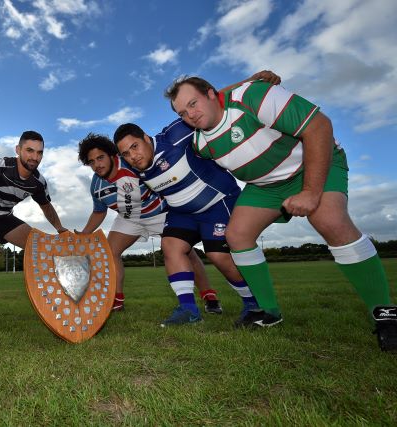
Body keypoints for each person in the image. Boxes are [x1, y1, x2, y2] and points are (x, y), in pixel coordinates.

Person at [165, 75, 397, 350]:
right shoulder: (200, 143)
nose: (190, 114)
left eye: (193, 103)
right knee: (237, 235)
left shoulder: (255, 97)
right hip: (266, 186)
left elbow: (319, 126)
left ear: (211, 94)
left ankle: (386, 314)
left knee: (330, 221)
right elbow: (202, 108)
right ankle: (268, 312)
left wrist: (311, 192)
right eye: (183, 112)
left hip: (312, 166)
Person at [114, 121, 261, 327]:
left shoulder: (174, 137)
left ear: (146, 138)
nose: (133, 156)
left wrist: (256, 86)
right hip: (182, 212)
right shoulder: (132, 168)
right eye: (126, 154)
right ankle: (189, 311)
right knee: (170, 246)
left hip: (217, 203)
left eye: (135, 146)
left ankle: (253, 304)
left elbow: (206, 106)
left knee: (217, 255)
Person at [76, 132, 223, 314]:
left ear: (112, 155)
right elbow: (99, 212)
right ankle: (117, 301)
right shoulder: (96, 186)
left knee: (186, 253)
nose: (97, 165)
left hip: (159, 214)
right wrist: (84, 233)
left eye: (100, 158)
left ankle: (209, 297)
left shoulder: (133, 166)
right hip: (129, 219)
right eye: (91, 162)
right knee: (109, 252)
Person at [0, 130, 67, 293]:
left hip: (4, 218)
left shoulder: (38, 183)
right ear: (18, 150)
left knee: (41, 249)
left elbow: (46, 206)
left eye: (39, 152)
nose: (34, 157)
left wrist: (59, 228)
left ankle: (51, 296)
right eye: (29, 150)